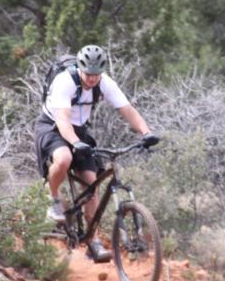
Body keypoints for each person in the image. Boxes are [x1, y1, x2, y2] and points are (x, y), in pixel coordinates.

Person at [34, 44, 158, 262]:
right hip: (52, 126)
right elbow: (62, 119)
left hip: (79, 130)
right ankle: (53, 198)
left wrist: (146, 133)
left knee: (92, 183)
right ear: (81, 68)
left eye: (96, 74)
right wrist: (73, 142)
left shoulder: (105, 83)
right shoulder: (65, 81)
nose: (92, 79)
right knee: (64, 158)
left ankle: (93, 241)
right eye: (88, 74)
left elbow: (127, 109)